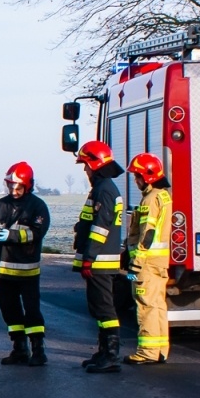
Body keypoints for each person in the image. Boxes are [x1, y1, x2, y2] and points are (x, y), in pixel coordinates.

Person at [0, 162, 52, 367]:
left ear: (28, 185)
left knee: (32, 311)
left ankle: (38, 350)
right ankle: (19, 349)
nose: (14, 190)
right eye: (11, 186)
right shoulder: (1, 205)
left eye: (18, 187)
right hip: (4, 270)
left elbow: (37, 232)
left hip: (27, 270)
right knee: (10, 311)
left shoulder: (37, 206)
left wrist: (10, 235)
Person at [71, 140, 126, 373]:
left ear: (95, 164)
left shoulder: (104, 189)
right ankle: (104, 351)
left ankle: (111, 354)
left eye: (86, 165)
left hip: (100, 261)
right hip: (99, 260)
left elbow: (100, 228)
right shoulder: (104, 188)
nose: (85, 170)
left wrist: (89, 257)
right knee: (98, 308)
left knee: (105, 309)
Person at [125, 152, 172, 365]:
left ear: (148, 177)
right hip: (159, 262)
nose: (135, 181)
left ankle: (147, 352)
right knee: (158, 305)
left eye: (137, 176)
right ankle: (160, 349)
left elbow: (148, 233)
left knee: (146, 306)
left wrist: (136, 262)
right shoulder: (163, 196)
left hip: (147, 263)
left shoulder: (150, 199)